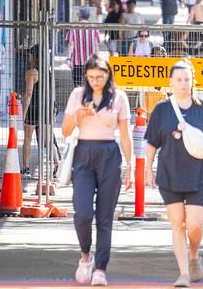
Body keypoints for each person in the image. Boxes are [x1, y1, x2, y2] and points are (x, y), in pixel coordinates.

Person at [145, 59, 203, 288]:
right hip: (169, 175)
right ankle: (183, 273)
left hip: (198, 176)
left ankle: (194, 255)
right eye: (178, 79)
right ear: (171, 81)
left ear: (193, 81)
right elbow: (151, 142)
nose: (183, 84)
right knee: (177, 223)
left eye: (186, 79)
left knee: (195, 224)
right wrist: (147, 170)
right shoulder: (161, 109)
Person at [61, 54, 133, 287]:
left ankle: (101, 268)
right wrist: (78, 115)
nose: (95, 81)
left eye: (100, 76)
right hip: (84, 153)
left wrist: (130, 166)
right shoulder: (77, 95)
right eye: (91, 77)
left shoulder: (119, 97)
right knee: (82, 212)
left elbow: (125, 133)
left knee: (104, 217)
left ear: (108, 74)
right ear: (86, 77)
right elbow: (64, 130)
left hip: (109, 154)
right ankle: (85, 256)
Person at [22, 45, 61, 189]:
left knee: (27, 138)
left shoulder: (32, 72)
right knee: (48, 140)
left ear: (34, 56)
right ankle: (58, 166)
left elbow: (28, 93)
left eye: (30, 54)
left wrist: (23, 112)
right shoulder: (48, 72)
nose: (28, 57)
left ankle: (25, 168)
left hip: (34, 107)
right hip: (47, 107)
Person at [66, 7, 100, 87]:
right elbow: (96, 45)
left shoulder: (74, 27)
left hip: (77, 62)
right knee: (89, 84)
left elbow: (71, 43)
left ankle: (80, 98)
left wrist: (68, 58)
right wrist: (97, 58)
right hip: (90, 61)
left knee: (78, 84)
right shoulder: (94, 27)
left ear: (80, 15)